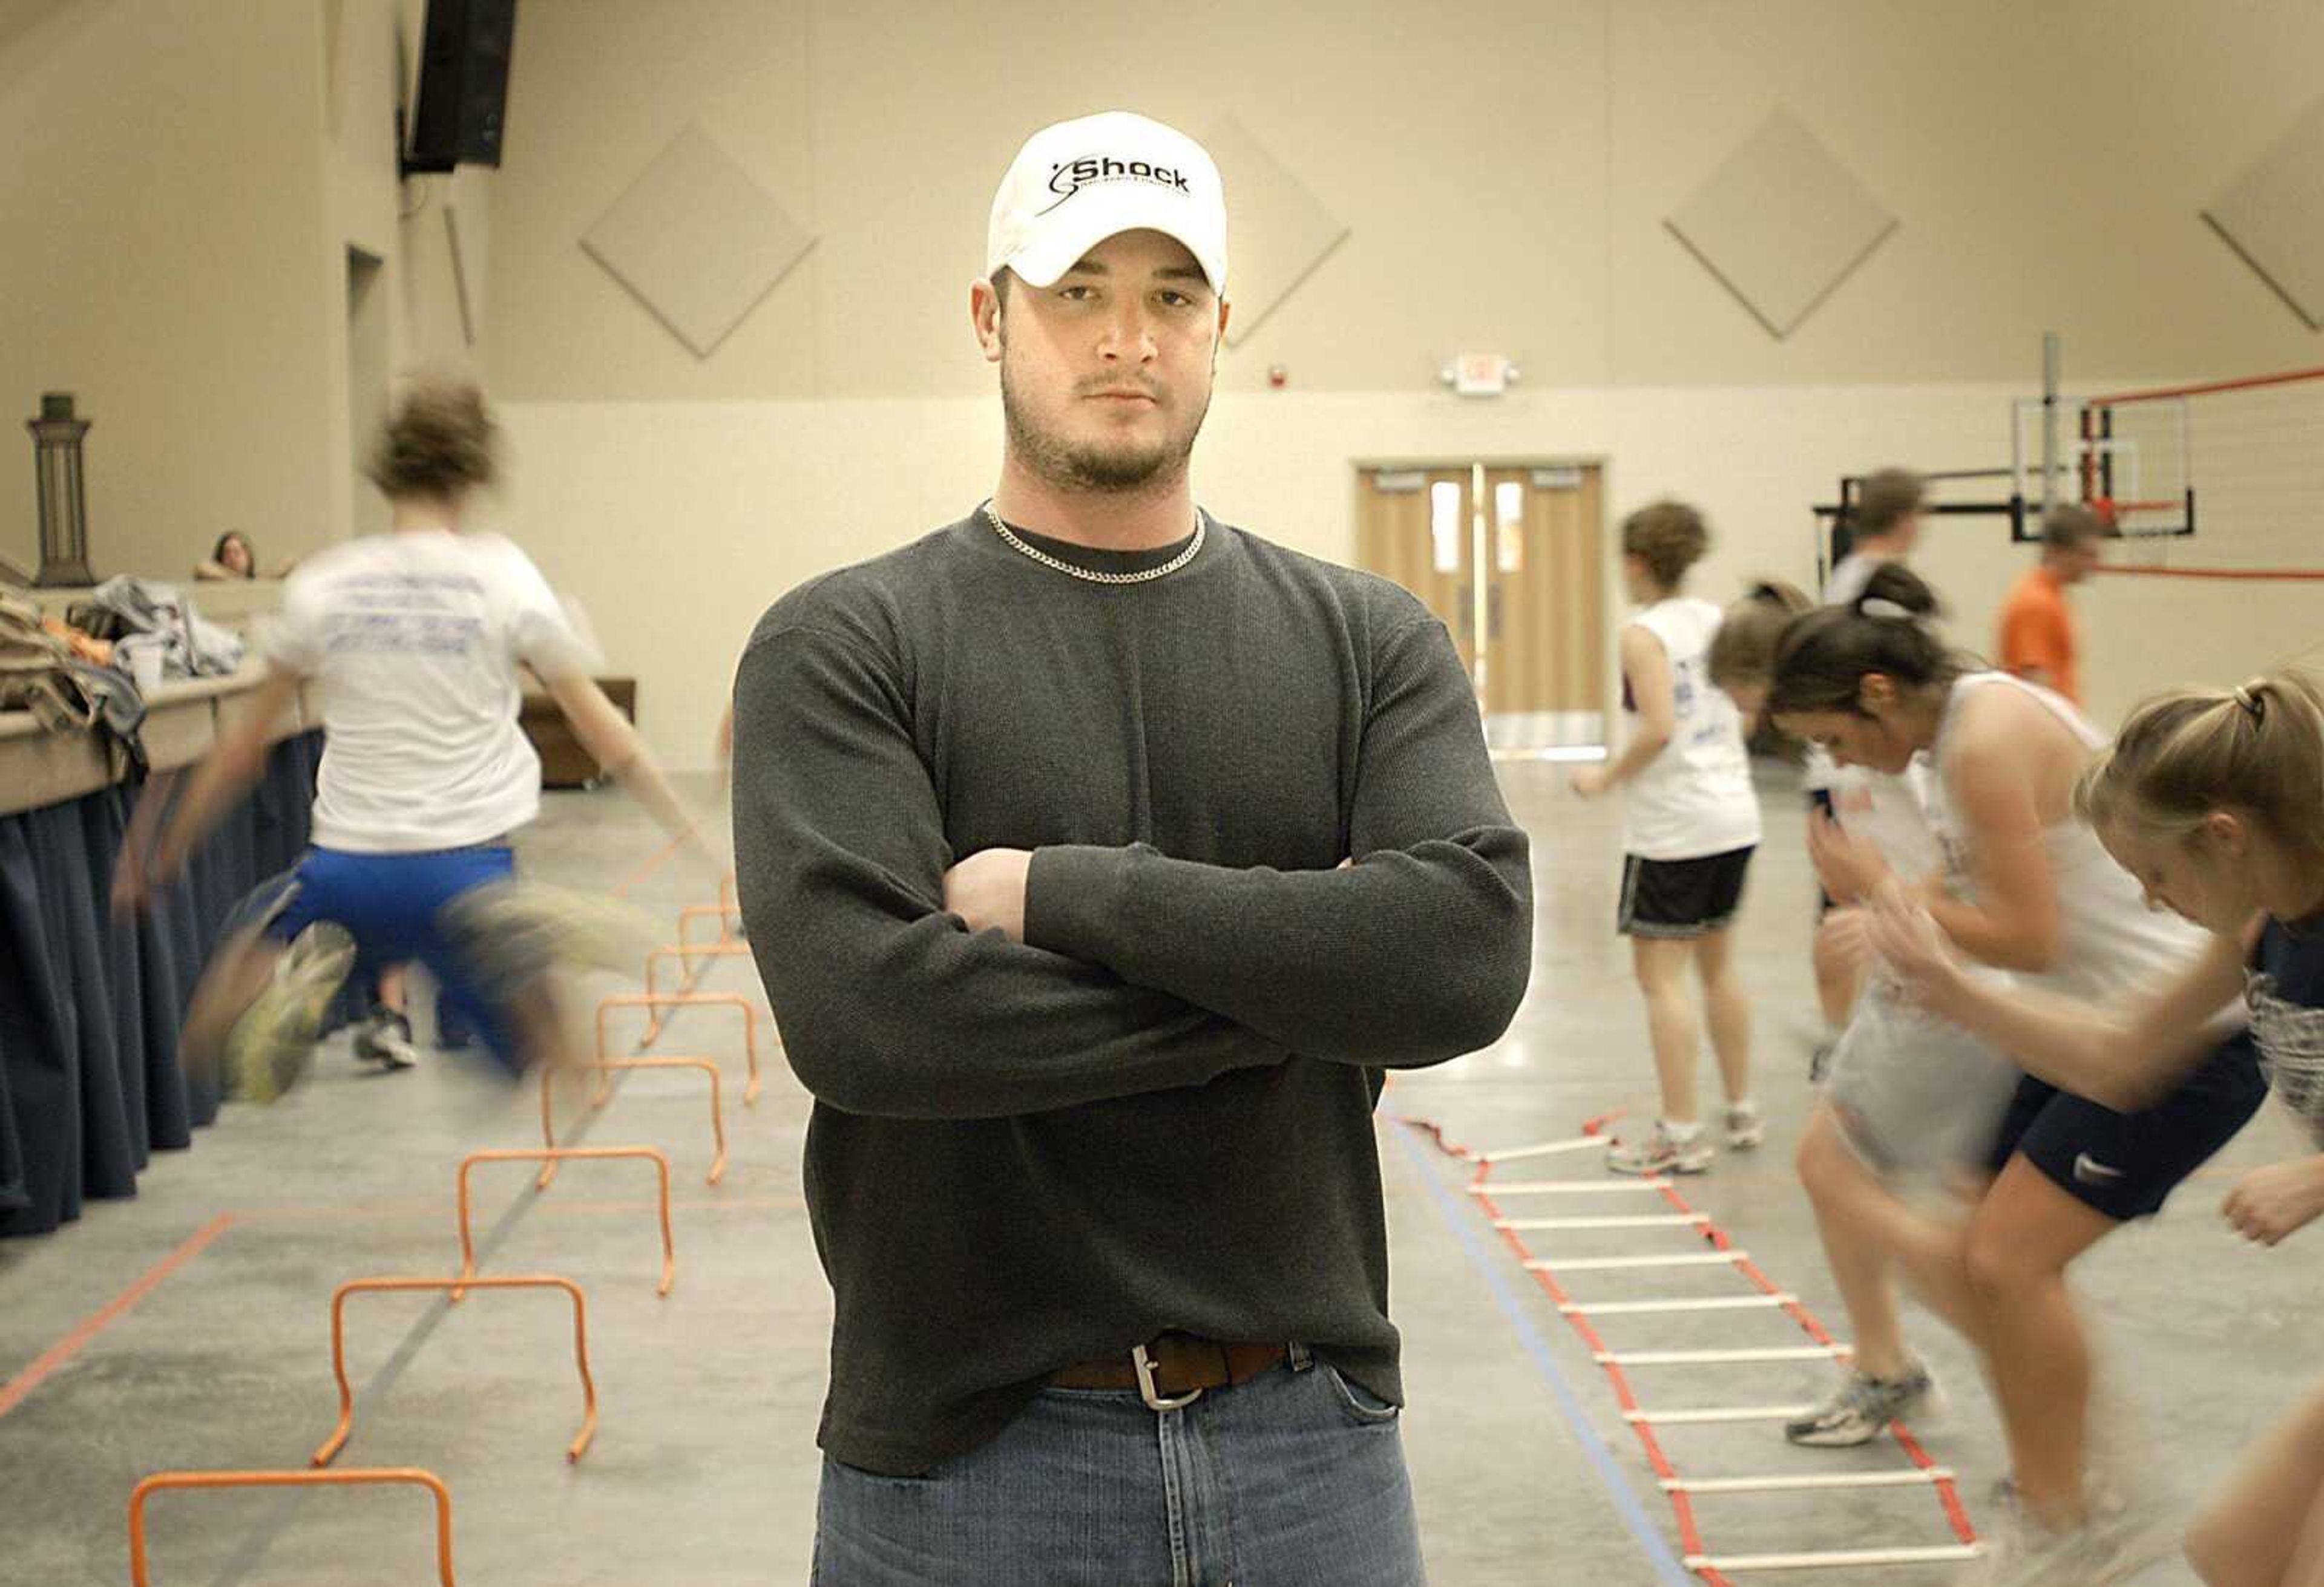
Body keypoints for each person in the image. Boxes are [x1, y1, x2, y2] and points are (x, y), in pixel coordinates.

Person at [729, 110, 1532, 1586]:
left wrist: (1062, 891)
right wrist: (1299, 987)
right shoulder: (849, 643)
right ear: (990, 317)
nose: (1126, 336)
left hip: (1310, 1440)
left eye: (1170, 294)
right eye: (1077, 289)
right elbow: (873, 1020)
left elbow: (1462, 959)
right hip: (970, 1463)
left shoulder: (1367, 642)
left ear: (1223, 326)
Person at [1765, 565, 2267, 1586]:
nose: (1836, 759)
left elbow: (2027, 937)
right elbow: (2002, 903)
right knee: (1968, 1237)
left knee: (2003, 1260)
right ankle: (2075, 1479)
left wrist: (1885, 898)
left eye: (1831, 735)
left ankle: (2073, 1511)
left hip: (2180, 1032)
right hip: (2096, 1020)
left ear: (1874, 692)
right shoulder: (1960, 730)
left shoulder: (1982, 741)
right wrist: (1907, 905)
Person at [117, 379, 704, 1101]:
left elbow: (243, 748)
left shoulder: (326, 583)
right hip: (467, 871)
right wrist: (694, 834)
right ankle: (534, 947)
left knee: (222, 1005)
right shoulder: (502, 576)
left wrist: (163, 851)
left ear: (388, 471)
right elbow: (605, 735)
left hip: (345, 866)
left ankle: (284, 974)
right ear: (473, 476)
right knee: (570, 1077)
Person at [1870, 672, 2324, 1587]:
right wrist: (1953, 986)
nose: (2154, 903)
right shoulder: (2261, 926)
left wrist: (2318, 1178)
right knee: (2232, 1557)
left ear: (2226, 837)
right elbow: (2121, 1058)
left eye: (2157, 876)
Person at [1724, 571, 2019, 1448]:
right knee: (1842, 1168)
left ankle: (2038, 1404)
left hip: (1962, 986)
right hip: (1912, 972)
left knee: (1977, 1236)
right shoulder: (1853, 742)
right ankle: (1895, 1364)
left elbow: (1971, 872)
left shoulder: (1926, 747)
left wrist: (1889, 906)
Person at [1572, 502, 1761, 1175]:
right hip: (1735, 814)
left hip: (1676, 826)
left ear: (1636, 563)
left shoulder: (1644, 633)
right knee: (1719, 965)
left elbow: (1656, 728)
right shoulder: (1717, 621)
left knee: (1662, 980)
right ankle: (1740, 1109)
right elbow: (1744, 712)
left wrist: (1604, 779)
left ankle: (1681, 1132)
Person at [1804, 468, 1927, 1073]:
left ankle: (1851, 1035)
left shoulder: (1853, 576)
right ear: (1905, 519)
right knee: (1857, 910)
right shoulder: (1877, 588)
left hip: (1853, 776)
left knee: (1856, 910)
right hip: (1861, 783)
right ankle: (1849, 1038)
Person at [1997, 503, 2105, 707]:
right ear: (2057, 552)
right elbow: (2037, 685)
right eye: (2086, 555)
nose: (2093, 565)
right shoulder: (2036, 603)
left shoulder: (2052, 596)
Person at [194, 530, 258, 582]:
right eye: (227, 553)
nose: (232, 557)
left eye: (237, 552)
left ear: (248, 557)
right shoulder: (215, 579)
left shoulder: (256, 581)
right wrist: (237, 578)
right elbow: (201, 568)